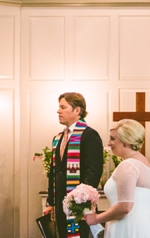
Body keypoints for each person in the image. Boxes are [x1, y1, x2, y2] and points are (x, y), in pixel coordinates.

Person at [83, 119, 150, 238]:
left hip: (128, 227)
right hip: (146, 226)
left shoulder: (128, 165)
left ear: (126, 141)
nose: (109, 143)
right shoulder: (145, 164)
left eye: (113, 138)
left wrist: (96, 219)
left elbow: (125, 207)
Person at [44, 92, 103, 238]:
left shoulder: (89, 135)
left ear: (77, 110)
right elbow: (54, 172)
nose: (58, 111)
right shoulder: (58, 138)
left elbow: (93, 171)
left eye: (63, 107)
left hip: (79, 207)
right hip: (60, 205)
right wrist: (51, 202)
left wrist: (81, 203)